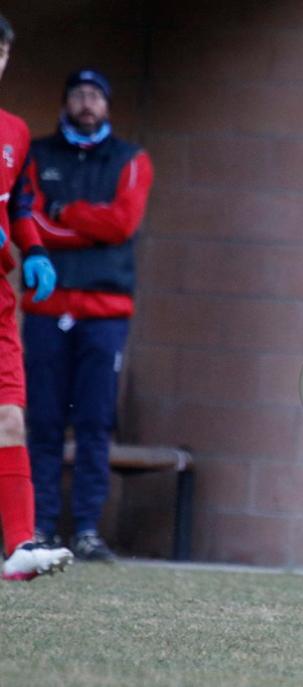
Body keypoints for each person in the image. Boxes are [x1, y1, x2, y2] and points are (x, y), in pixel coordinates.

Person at [20, 67, 154, 561]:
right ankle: (38, 525)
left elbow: (121, 224)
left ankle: (87, 531)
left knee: (96, 422)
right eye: (78, 93)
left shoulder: (131, 159)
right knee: (44, 420)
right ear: (65, 102)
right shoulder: (37, 154)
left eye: (95, 95)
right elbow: (30, 221)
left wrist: (66, 213)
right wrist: (79, 225)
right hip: (47, 306)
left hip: (106, 310)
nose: (86, 102)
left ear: (107, 105)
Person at [0, 12, 74, 581]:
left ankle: (20, 547)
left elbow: (20, 203)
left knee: (9, 417)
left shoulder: (15, 132)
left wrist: (36, 249)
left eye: (1, 53)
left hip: (0, 301)